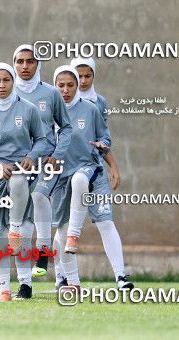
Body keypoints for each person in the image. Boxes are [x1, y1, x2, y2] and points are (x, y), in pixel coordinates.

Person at [0, 62, 46, 301]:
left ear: (14, 81)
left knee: (21, 229)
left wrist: (31, 157)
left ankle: (25, 285)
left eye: (6, 80)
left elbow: (42, 140)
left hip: (21, 174)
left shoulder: (29, 109)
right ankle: (3, 288)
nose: (1, 85)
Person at [69, 57, 134, 289]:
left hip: (93, 171)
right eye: (79, 76)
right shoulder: (59, 100)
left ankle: (120, 277)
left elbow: (102, 140)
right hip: (65, 171)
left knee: (105, 222)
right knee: (63, 226)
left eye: (88, 75)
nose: (83, 80)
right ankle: (63, 278)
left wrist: (113, 167)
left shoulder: (99, 102)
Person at [12, 44, 72, 283]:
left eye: (31, 61)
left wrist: (57, 155)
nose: (25, 66)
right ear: (14, 63)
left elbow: (66, 127)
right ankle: (24, 284)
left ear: (38, 64)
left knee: (39, 196)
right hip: (17, 167)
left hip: (46, 162)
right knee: (21, 224)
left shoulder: (50, 93)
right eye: (20, 61)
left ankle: (44, 250)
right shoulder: (6, 91)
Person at [51, 65, 111, 290]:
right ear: (55, 86)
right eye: (61, 85)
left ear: (78, 86)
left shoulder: (91, 109)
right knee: (60, 230)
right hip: (57, 175)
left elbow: (105, 137)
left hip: (85, 166)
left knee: (79, 180)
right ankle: (69, 282)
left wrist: (102, 145)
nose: (66, 90)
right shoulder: (47, 111)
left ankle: (75, 235)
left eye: (70, 85)